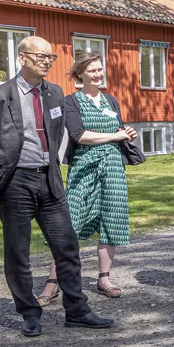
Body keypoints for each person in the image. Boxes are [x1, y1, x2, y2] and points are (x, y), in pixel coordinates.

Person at [0, 36, 113, 337]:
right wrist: (3, 170)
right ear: (22, 57)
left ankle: (76, 309)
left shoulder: (54, 93)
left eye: (51, 57)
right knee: (18, 252)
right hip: (15, 183)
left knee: (67, 246)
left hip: (49, 179)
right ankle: (29, 313)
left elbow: (56, 133)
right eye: (41, 56)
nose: (47, 62)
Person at [37, 53, 138, 304]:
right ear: (80, 74)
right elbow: (79, 135)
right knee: (69, 222)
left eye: (100, 69)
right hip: (84, 165)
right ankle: (54, 280)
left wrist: (126, 133)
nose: (98, 74)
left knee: (111, 218)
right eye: (92, 70)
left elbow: (118, 130)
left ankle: (104, 278)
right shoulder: (72, 101)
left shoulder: (111, 100)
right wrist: (115, 137)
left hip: (113, 166)